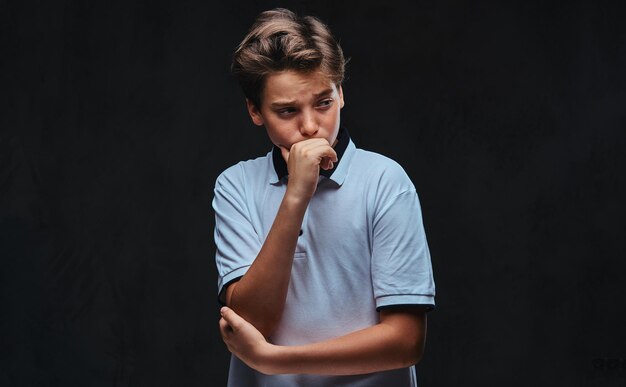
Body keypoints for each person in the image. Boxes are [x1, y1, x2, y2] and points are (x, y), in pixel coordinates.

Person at [213, 8, 435, 386]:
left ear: (341, 94)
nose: (311, 125)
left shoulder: (386, 181)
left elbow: (406, 341)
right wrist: (296, 195)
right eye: (287, 111)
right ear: (255, 111)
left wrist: (274, 360)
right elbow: (252, 321)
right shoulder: (235, 185)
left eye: (323, 102)